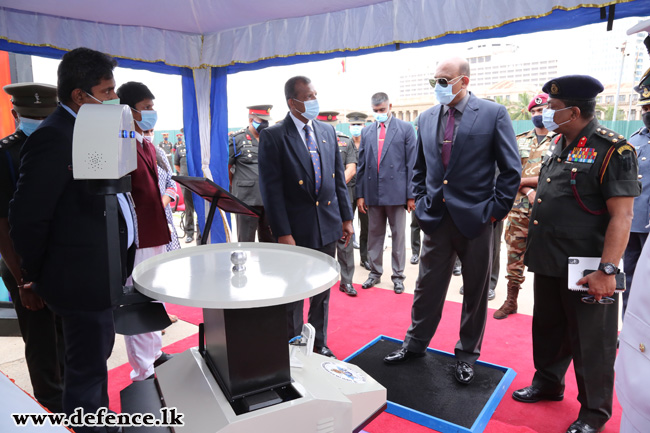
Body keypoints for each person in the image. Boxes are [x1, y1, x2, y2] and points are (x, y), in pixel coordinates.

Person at [9, 47, 134, 432]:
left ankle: (98, 423)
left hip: (101, 273)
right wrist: (38, 273)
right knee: (85, 371)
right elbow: (27, 217)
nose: (115, 98)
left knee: (95, 363)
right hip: (79, 279)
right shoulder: (54, 137)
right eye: (108, 90)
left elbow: (94, 200)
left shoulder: (89, 128)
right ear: (80, 95)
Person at [512, 75, 640, 433]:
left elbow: (623, 215)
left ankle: (594, 413)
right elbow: (564, 181)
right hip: (552, 258)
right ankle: (548, 382)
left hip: (588, 268)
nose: (547, 114)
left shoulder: (613, 149)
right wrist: (530, 182)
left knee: (591, 342)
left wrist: (608, 270)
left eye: (553, 109)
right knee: (549, 329)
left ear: (574, 111)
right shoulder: (562, 144)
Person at [383, 57, 521, 386]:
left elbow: (511, 169)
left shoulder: (492, 114)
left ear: (464, 81)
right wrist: (421, 201)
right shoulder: (427, 118)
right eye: (435, 81)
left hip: (477, 218)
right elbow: (420, 167)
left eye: (444, 80)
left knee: (474, 291)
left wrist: (494, 211)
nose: (438, 87)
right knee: (426, 287)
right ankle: (414, 344)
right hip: (436, 218)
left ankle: (467, 355)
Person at [258, 76, 354, 359]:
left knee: (322, 289)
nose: (314, 101)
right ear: (293, 102)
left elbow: (338, 180)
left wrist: (346, 218)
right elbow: (271, 190)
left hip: (327, 223)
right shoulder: (275, 136)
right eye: (309, 97)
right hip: (295, 229)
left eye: (315, 95)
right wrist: (282, 232)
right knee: (294, 289)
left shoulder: (326, 130)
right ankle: (294, 341)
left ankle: (319, 341)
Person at [0, 82, 64, 413]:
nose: (39, 122)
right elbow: (2, 224)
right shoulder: (5, 154)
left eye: (45, 115)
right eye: (31, 116)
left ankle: (72, 398)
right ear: (15, 114)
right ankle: (52, 406)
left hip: (63, 260)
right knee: (41, 339)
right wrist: (24, 279)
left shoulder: (66, 145)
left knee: (67, 333)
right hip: (24, 263)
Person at [116, 82, 173, 382]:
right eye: (147, 107)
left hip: (156, 234)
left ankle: (155, 354)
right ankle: (143, 370)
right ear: (130, 111)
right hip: (136, 240)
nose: (152, 113)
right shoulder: (122, 144)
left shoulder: (146, 144)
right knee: (137, 302)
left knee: (154, 299)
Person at [493, 93, 556, 319]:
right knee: (514, 256)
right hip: (519, 209)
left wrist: (523, 182)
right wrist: (528, 189)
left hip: (549, 211)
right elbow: (510, 174)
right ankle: (511, 301)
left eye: (543, 111)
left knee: (547, 260)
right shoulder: (519, 140)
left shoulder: (561, 141)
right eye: (535, 112)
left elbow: (556, 177)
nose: (539, 115)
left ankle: (546, 308)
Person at [356, 92, 416, 294]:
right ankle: (374, 273)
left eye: (382, 110)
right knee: (374, 235)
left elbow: (411, 164)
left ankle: (398, 276)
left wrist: (411, 195)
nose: (379, 114)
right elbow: (362, 165)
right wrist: (361, 195)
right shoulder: (367, 132)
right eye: (375, 111)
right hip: (373, 192)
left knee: (398, 236)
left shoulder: (405, 129)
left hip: (397, 192)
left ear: (390, 106)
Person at [318, 111, 357, 296]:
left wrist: (334, 185)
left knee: (345, 239)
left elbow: (351, 167)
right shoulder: (310, 140)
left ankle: (347, 281)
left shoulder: (344, 140)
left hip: (341, 197)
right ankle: (321, 279)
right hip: (319, 201)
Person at [622, 69, 650, 318]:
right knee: (629, 278)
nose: (647, 113)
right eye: (645, 108)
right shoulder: (635, 140)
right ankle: (629, 328)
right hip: (633, 223)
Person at [228, 105, 274, 243]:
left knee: (270, 242)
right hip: (246, 200)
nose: (265, 124)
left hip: (269, 199)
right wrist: (236, 185)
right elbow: (227, 167)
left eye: (266, 120)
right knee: (246, 242)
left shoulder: (271, 139)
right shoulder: (237, 140)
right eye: (261, 120)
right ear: (250, 119)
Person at [144, 129, 181, 252]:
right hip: (145, 215)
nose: (149, 135)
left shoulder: (159, 152)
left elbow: (171, 183)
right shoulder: (131, 155)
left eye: (151, 131)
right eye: (145, 132)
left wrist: (161, 205)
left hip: (164, 212)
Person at [347, 111, 371, 271]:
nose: (356, 128)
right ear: (349, 126)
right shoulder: (343, 143)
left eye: (359, 125)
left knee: (367, 227)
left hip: (365, 191)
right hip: (348, 190)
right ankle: (346, 262)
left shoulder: (370, 143)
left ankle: (365, 258)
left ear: (364, 126)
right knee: (346, 225)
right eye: (353, 125)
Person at [174, 133, 196, 243]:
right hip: (186, 183)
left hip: (198, 183)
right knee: (189, 209)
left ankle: (202, 233)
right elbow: (176, 165)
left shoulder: (198, 147)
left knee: (200, 208)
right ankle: (190, 233)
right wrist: (184, 175)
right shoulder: (180, 149)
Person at [410, 114, 422, 265]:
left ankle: (456, 262)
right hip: (417, 191)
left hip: (436, 191)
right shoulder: (413, 143)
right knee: (415, 224)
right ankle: (415, 252)